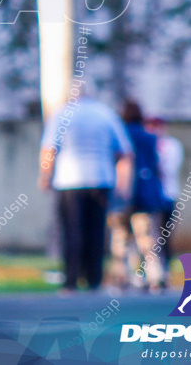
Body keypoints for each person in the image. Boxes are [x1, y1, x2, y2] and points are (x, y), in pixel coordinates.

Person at [38, 90, 133, 292]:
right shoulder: (106, 114)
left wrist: (45, 176)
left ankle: (71, 280)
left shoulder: (62, 114)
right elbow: (124, 151)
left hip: (68, 180)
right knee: (97, 231)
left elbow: (49, 149)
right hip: (101, 178)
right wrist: (123, 184)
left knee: (71, 231)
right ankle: (94, 279)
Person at [107, 100, 164, 292]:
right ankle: (155, 276)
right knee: (147, 238)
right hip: (144, 194)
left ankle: (122, 276)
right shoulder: (149, 137)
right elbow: (156, 166)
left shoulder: (118, 136)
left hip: (121, 193)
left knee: (120, 237)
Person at [147, 116, 183, 280]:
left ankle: (166, 268)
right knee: (149, 235)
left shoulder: (172, 145)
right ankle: (150, 271)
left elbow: (168, 168)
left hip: (167, 194)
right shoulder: (147, 144)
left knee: (165, 234)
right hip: (150, 196)